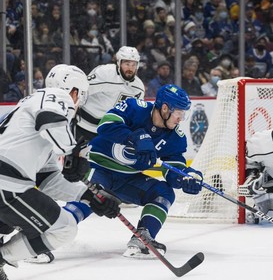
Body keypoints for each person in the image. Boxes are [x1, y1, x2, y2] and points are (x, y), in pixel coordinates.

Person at [0, 64, 120, 279]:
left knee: (5, 225)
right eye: (81, 97)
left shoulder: (29, 114)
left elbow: (47, 179)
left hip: (7, 182)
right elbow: (50, 120)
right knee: (64, 228)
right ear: (74, 91)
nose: (79, 103)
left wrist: (89, 195)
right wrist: (74, 151)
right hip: (6, 184)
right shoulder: (56, 96)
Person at [87, 84, 203, 259]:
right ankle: (46, 230)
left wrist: (186, 177)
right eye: (178, 113)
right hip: (99, 168)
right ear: (165, 108)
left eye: (183, 114)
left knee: (164, 192)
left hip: (128, 181)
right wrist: (135, 136)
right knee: (84, 201)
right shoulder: (135, 108)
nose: (181, 119)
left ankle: (142, 238)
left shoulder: (175, 138)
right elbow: (106, 125)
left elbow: (173, 168)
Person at [63, 46, 145, 183]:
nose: (130, 68)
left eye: (133, 64)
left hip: (105, 132)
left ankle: (113, 192)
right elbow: (82, 93)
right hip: (83, 126)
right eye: (126, 63)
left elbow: (133, 114)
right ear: (118, 63)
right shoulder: (104, 73)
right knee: (73, 166)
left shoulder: (138, 87)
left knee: (103, 166)